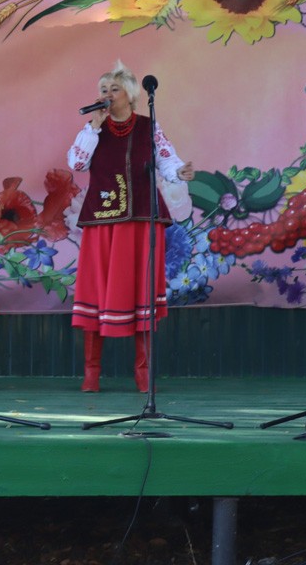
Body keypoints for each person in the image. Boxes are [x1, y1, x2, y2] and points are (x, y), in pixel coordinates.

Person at [67, 61, 194, 392]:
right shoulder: (92, 129)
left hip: (139, 218)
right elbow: (77, 163)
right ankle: (91, 373)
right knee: (97, 290)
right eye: (103, 90)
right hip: (102, 221)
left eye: (114, 89)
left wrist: (179, 172)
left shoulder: (147, 126)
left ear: (132, 95)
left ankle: (143, 372)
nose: (107, 95)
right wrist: (93, 128)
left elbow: (166, 158)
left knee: (140, 290)